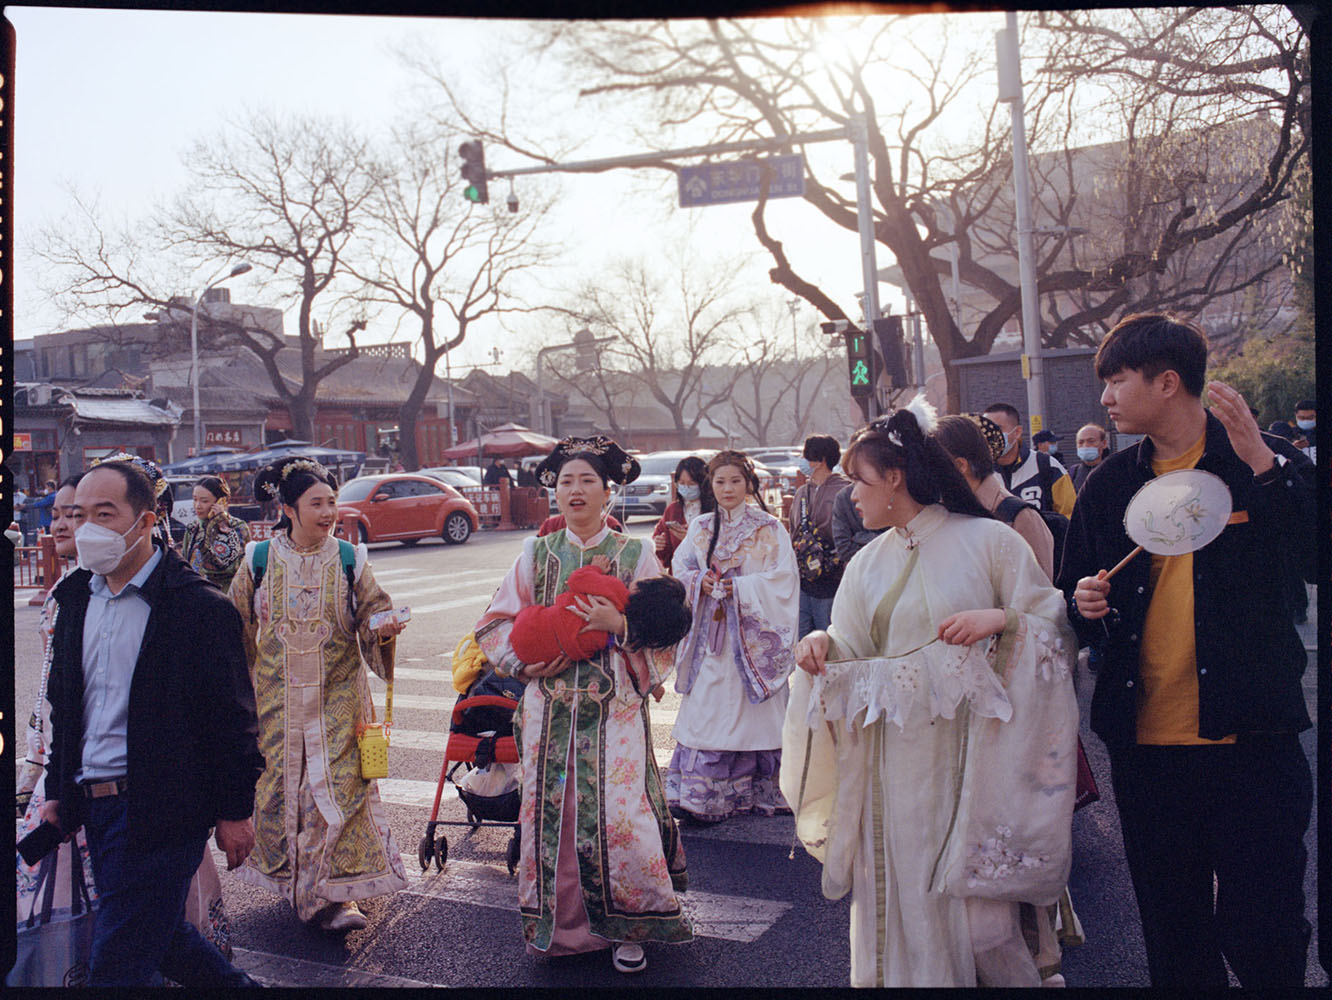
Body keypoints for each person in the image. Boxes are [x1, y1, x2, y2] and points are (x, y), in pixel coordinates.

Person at [781, 395, 1079, 988]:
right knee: (905, 905)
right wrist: (821, 644)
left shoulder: (989, 542)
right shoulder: (868, 564)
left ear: (894, 478)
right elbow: (852, 642)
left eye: (859, 481)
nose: (851, 495)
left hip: (979, 765)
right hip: (893, 773)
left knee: (985, 929)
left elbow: (1055, 629)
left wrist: (1002, 622)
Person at [1060, 313, 1314, 987]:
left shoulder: (1257, 462)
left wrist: (1262, 462)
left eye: (1117, 381)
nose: (1106, 398)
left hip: (1251, 744)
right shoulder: (1108, 483)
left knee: (1266, 934)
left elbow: (1314, 555)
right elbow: (1073, 596)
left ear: (1167, 382)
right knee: (1176, 941)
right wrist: (1085, 605)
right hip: (1147, 753)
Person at [39, 460, 264, 987]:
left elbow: (232, 721)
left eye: (104, 514)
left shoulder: (196, 608)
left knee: (116, 967)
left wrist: (235, 811)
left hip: (163, 809)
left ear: (145, 521)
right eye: (79, 514)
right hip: (96, 805)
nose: (86, 528)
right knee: (162, 940)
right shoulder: (74, 601)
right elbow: (67, 709)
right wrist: (57, 790)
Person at [474, 435, 692, 974]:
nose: (574, 490)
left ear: (608, 491)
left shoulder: (635, 554)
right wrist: (523, 666)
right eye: (566, 481)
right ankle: (562, 926)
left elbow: (668, 633)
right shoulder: (536, 554)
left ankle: (627, 924)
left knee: (619, 814)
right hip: (549, 711)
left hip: (613, 709)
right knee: (557, 815)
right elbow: (494, 623)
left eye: (586, 481)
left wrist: (620, 625)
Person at [228, 456, 409, 932]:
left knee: (336, 795)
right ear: (289, 508)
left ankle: (333, 897)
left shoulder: (351, 559)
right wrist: (240, 692)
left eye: (333, 501)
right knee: (284, 795)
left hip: (340, 700)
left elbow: (373, 616)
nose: (329, 511)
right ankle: (299, 885)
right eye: (317, 503)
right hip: (276, 704)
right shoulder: (258, 560)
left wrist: (384, 630)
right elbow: (236, 630)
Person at [668, 450, 799, 824]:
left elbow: (783, 580)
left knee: (753, 709)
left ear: (749, 484)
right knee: (708, 704)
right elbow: (681, 569)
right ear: (712, 484)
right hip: (711, 636)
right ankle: (703, 796)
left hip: (751, 639)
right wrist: (700, 582)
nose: (728, 488)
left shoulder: (770, 527)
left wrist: (739, 589)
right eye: (721, 481)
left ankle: (761, 790)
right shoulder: (700, 528)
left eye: (736, 481)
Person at [932, 414, 1055, 581]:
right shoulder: (941, 512)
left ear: (961, 465)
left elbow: (1038, 597)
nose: (927, 473)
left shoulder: (1019, 518)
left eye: (932, 464)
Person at [790, 435, 851, 638]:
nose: (802, 460)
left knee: (830, 640)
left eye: (805, 455)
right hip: (803, 582)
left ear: (821, 459)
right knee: (801, 641)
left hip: (832, 581)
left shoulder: (844, 491)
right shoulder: (801, 493)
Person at [982, 403, 1077, 517]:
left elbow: (1071, 518)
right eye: (985, 430)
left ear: (1017, 432)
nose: (990, 435)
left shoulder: (1048, 466)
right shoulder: (979, 472)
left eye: (997, 429)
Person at [181, 476, 251, 593]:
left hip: (226, 594)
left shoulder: (238, 527)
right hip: (196, 594)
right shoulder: (193, 528)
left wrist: (219, 522)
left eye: (204, 501)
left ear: (221, 501)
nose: (198, 506)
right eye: (195, 499)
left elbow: (230, 567)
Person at [652, 455, 715, 572]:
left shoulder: (714, 511)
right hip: (679, 577)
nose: (686, 488)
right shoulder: (673, 510)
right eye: (681, 483)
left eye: (692, 484)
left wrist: (691, 538)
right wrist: (658, 544)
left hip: (707, 577)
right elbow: (663, 555)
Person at [830, 482, 884, 564]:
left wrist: (858, 537)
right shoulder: (843, 498)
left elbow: (898, 539)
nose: (854, 497)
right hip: (860, 569)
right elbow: (843, 550)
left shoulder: (887, 491)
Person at [1069, 423, 1111, 493]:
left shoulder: (1114, 470)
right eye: (1081, 442)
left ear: (1104, 444)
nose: (1086, 445)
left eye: (1091, 441)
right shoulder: (1073, 473)